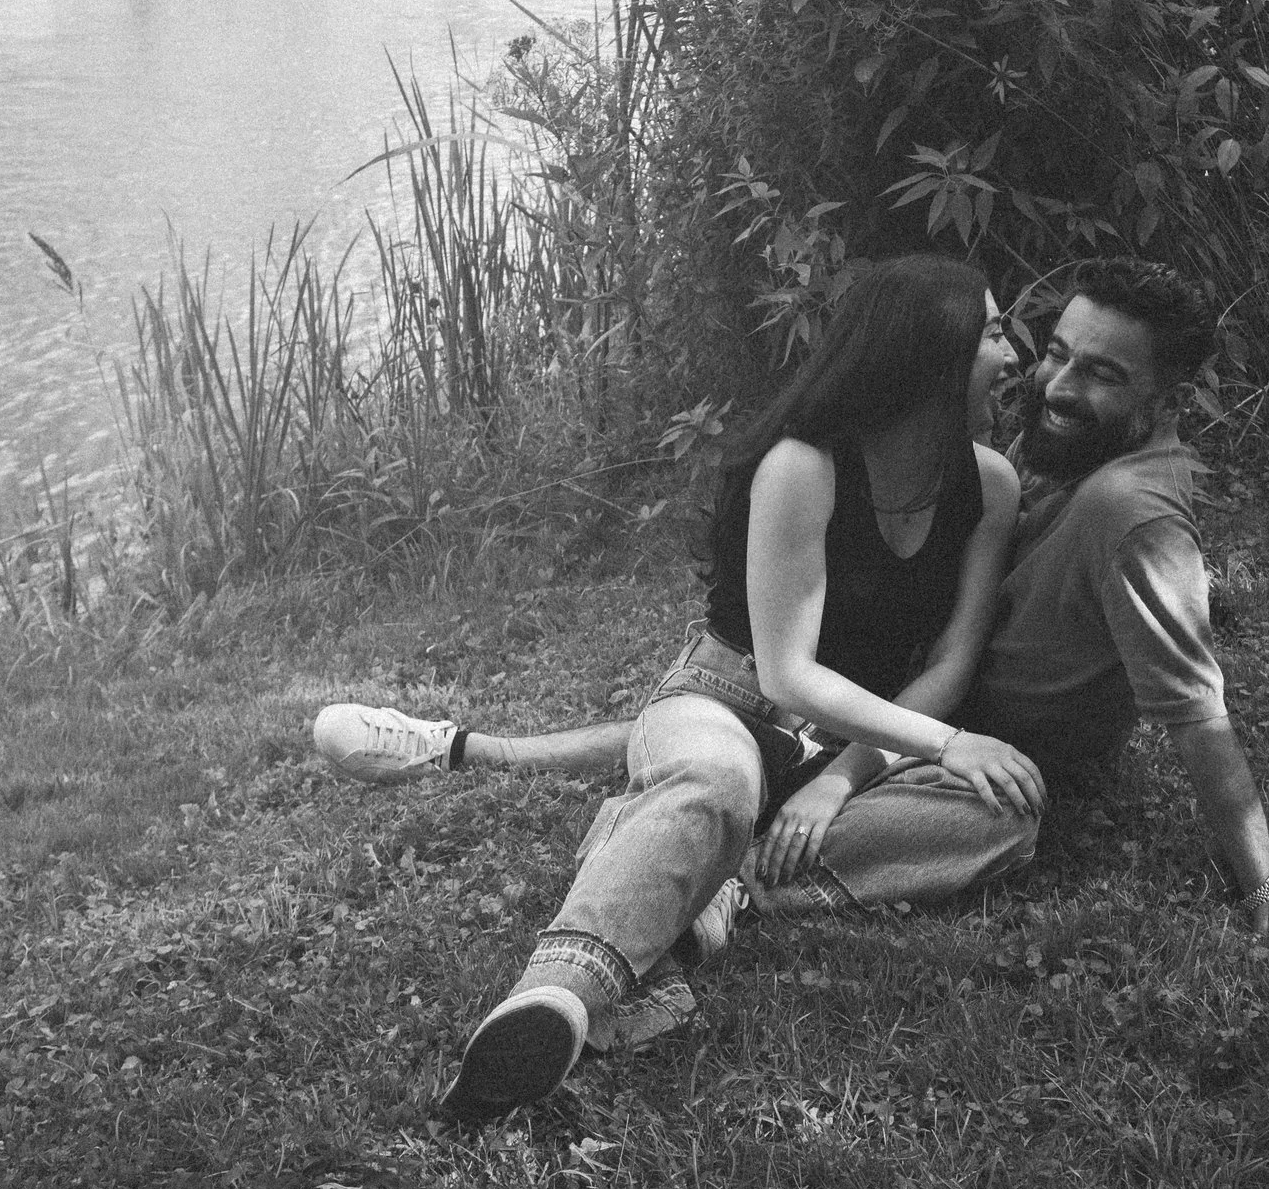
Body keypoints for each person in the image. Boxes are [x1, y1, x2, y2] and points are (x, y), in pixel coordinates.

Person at [318, 257, 1269, 936]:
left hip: (900, 712)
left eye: (1099, 376)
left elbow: (1192, 707)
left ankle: (677, 859)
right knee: (724, 734)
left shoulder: (1117, 508)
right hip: (837, 693)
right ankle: (480, 756)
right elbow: (791, 672)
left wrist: (1262, 892)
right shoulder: (1023, 462)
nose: (1049, 383)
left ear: (1161, 401)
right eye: (1049, 351)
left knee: (814, 769)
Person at [340, 254, 1050, 1125]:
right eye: (989, 332)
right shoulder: (803, 464)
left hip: (855, 744)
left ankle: (714, 873)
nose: (1013, 354)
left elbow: (949, 659)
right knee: (720, 781)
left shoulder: (993, 485)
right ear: (926, 357)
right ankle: (558, 995)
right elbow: (788, 672)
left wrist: (839, 779)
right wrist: (940, 742)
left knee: (1005, 813)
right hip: (731, 702)